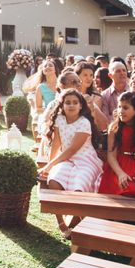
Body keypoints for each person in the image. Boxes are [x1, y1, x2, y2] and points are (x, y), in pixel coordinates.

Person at [38, 89, 103, 238]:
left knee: (78, 187)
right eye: (67, 102)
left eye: (75, 102)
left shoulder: (84, 122)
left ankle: (85, 227)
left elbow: (73, 149)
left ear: (81, 106)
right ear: (62, 105)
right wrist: (49, 166)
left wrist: (49, 165)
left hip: (86, 160)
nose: (71, 105)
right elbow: (56, 144)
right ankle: (62, 224)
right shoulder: (60, 119)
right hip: (66, 160)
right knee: (54, 180)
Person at [75, 62, 108, 131]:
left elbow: (97, 121)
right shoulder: (71, 95)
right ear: (77, 76)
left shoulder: (96, 97)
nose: (89, 78)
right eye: (85, 75)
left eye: (91, 75)